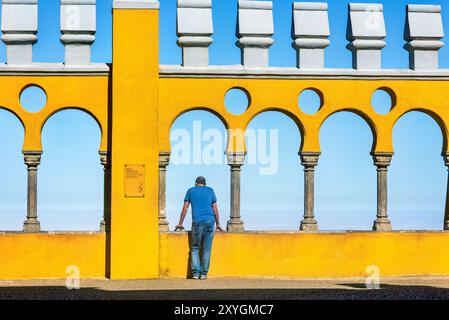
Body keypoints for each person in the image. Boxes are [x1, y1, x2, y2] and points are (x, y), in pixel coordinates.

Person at [176, 176, 225, 280]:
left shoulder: (190, 191)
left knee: (195, 248)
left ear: (195, 183)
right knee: (207, 248)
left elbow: (185, 208)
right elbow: (215, 208)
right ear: (205, 183)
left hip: (197, 221)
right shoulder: (210, 190)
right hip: (210, 221)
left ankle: (195, 274)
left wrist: (180, 223)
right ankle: (203, 274)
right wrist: (218, 223)